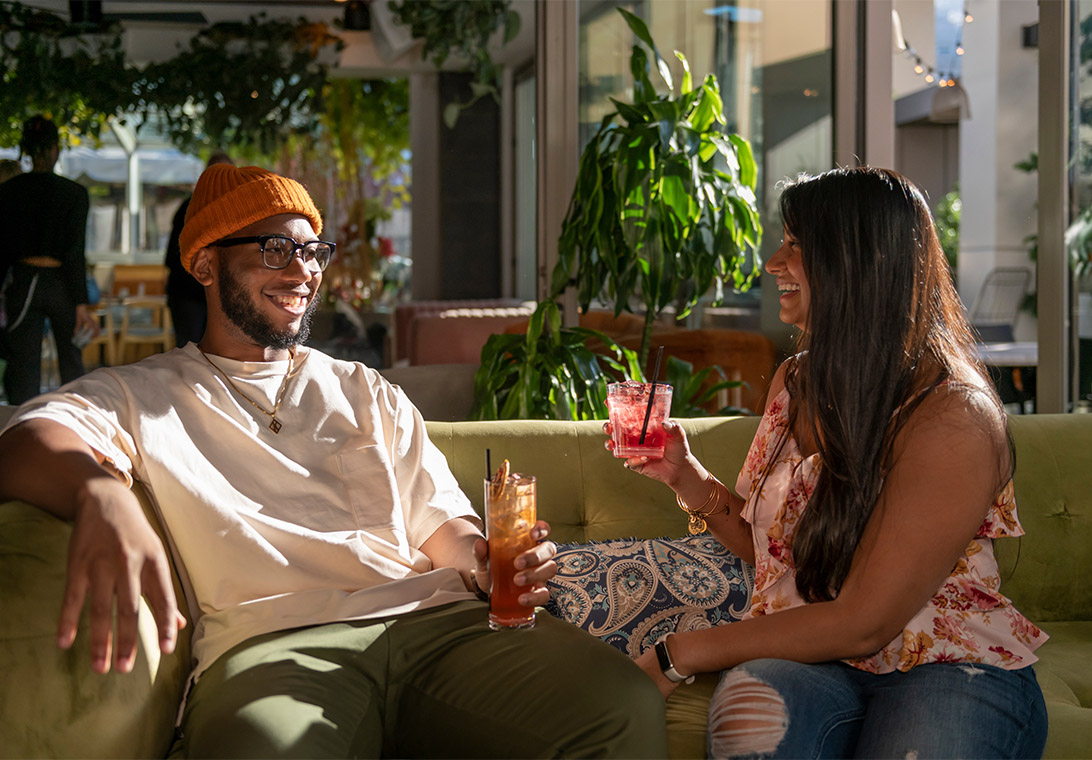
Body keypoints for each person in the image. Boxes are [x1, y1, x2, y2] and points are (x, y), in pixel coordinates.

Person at [0, 164, 666, 758]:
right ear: (204, 264)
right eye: (275, 249)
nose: (303, 273)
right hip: (274, 644)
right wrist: (98, 494)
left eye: (312, 251)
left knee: (620, 704)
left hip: (439, 625)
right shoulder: (143, 393)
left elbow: (440, 522)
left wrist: (485, 562)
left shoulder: (364, 388)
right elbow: (27, 437)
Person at [608, 166, 1048, 759]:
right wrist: (686, 476)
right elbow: (779, 553)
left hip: (946, 662)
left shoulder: (952, 414)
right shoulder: (795, 382)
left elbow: (865, 621)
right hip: (811, 658)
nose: (773, 262)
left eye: (796, 244)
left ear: (858, 261)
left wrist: (677, 653)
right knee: (748, 728)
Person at [0, 115, 98, 405]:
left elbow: (2, 249)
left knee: (23, 367)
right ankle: (75, 421)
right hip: (62, 284)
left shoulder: (9, 191)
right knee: (71, 363)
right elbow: (75, 252)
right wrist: (81, 303)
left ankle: (23, 423)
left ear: (26, 151)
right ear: (56, 149)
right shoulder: (75, 194)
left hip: (23, 282)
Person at [164, 152, 233, 347]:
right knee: (190, 352)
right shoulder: (190, 208)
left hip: (221, 298)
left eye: (226, 175)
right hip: (188, 295)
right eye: (216, 174)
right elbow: (172, 257)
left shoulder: (235, 212)